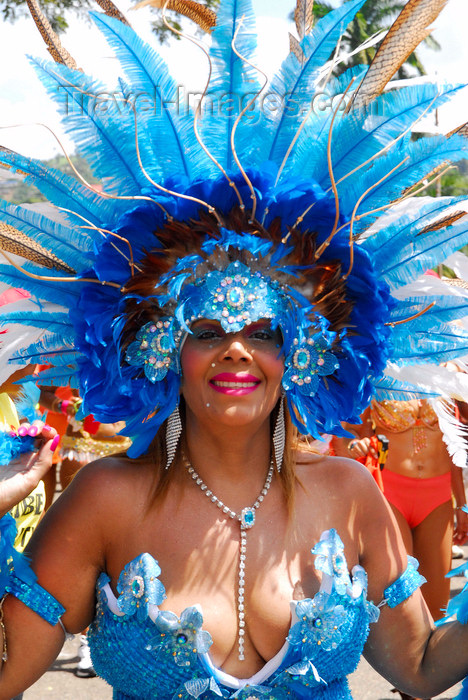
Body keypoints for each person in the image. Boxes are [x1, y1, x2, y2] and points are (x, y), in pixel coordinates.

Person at [3, 1, 468, 699]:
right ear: (162, 349)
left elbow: (423, 666)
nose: (236, 352)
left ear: (304, 354)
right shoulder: (105, 502)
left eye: (263, 332)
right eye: (206, 331)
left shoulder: (349, 496)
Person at [333, 399, 468, 622]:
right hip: (390, 495)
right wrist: (356, 446)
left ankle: (433, 656)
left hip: (438, 498)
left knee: (437, 611)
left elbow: (452, 445)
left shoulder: (446, 372)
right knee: (401, 603)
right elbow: (347, 433)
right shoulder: (380, 371)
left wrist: (461, 503)